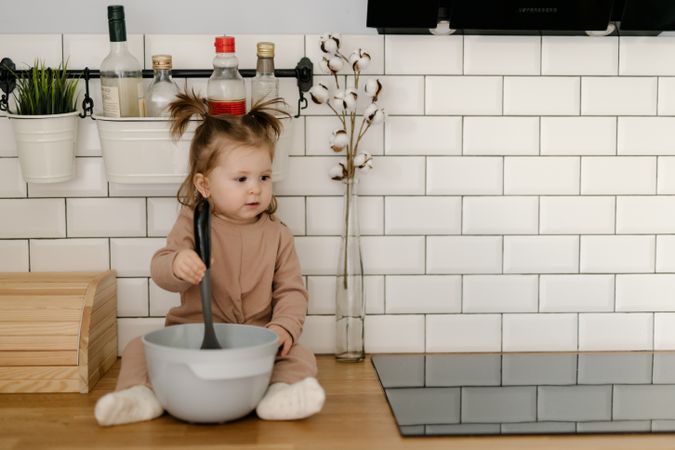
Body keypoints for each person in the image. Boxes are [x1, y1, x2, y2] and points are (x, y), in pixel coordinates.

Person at [94, 91, 325, 426]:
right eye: (241, 179)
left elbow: (291, 292)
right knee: (137, 348)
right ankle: (139, 394)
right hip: (194, 338)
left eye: (264, 177)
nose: (255, 189)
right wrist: (177, 263)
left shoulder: (278, 235)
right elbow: (161, 266)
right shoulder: (193, 221)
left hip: (258, 345)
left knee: (301, 355)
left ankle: (279, 393)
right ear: (204, 184)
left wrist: (282, 329)